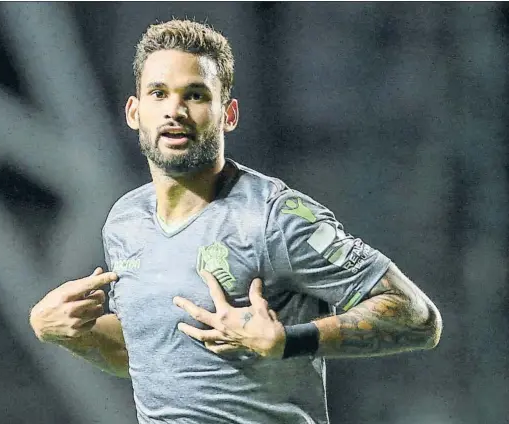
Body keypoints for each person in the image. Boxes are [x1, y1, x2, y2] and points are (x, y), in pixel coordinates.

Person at [29, 19, 443, 424]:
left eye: (195, 95)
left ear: (228, 114)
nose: (175, 110)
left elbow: (417, 317)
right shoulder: (125, 221)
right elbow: (142, 355)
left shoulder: (274, 216)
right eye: (159, 94)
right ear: (134, 112)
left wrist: (287, 341)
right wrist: (70, 333)